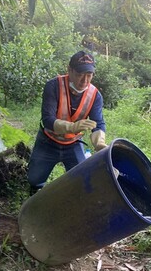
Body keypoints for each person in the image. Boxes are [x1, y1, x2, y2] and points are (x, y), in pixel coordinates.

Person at [27, 50, 107, 194]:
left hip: (73, 144)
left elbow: (98, 124)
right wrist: (72, 127)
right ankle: (37, 191)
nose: (84, 81)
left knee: (82, 179)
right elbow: (47, 120)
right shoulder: (53, 86)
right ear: (69, 70)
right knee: (34, 179)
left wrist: (100, 144)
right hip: (48, 141)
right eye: (79, 74)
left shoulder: (95, 95)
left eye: (89, 76)